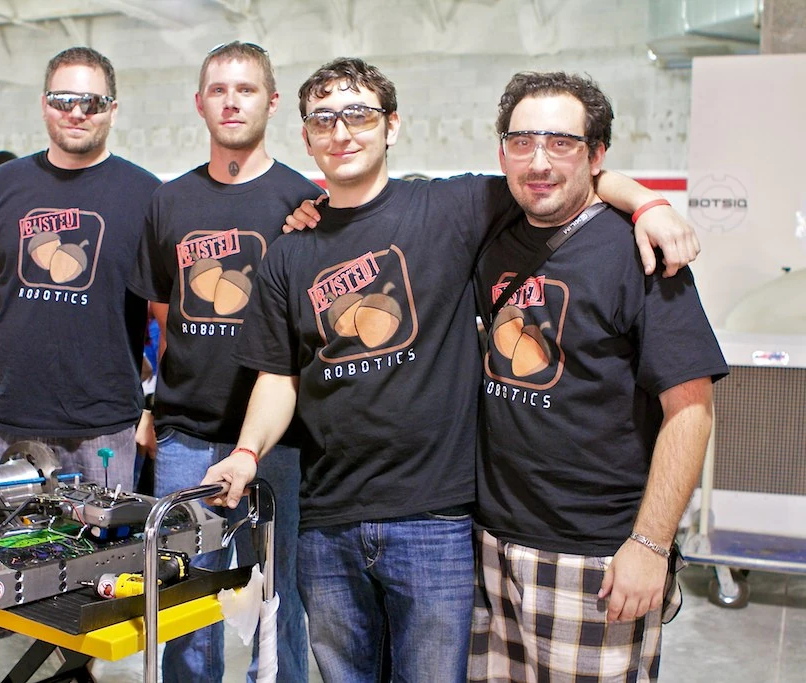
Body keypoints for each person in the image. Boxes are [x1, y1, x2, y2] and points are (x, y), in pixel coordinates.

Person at [202, 58, 697, 682]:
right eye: (324, 119)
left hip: (436, 520)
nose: (342, 131)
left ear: (392, 125)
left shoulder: (452, 206)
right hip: (329, 519)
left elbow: (556, 174)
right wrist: (247, 452)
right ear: (305, 136)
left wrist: (648, 203)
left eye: (359, 115)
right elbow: (280, 376)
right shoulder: (289, 253)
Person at [468, 72, 728, 682]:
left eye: (562, 142)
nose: (539, 161)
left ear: (596, 154)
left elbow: (690, 412)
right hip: (484, 544)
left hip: (595, 554)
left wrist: (650, 545)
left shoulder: (639, 256)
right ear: (502, 152)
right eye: (522, 141)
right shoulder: (490, 234)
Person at [0, 46, 159, 679]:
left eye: (91, 101)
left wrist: (158, 407)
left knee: (89, 581)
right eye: (64, 99)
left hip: (101, 424)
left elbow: (166, 313)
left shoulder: (146, 194)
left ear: (112, 109)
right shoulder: (4, 185)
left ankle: (76, 677)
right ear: (45, 105)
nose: (77, 112)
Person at [128, 41, 317, 683]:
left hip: (282, 440)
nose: (232, 101)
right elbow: (164, 313)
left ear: (272, 101)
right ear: (200, 103)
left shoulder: (303, 200)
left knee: (280, 601)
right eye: (219, 89)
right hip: (186, 433)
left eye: (246, 89)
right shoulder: (170, 201)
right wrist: (153, 407)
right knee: (186, 601)